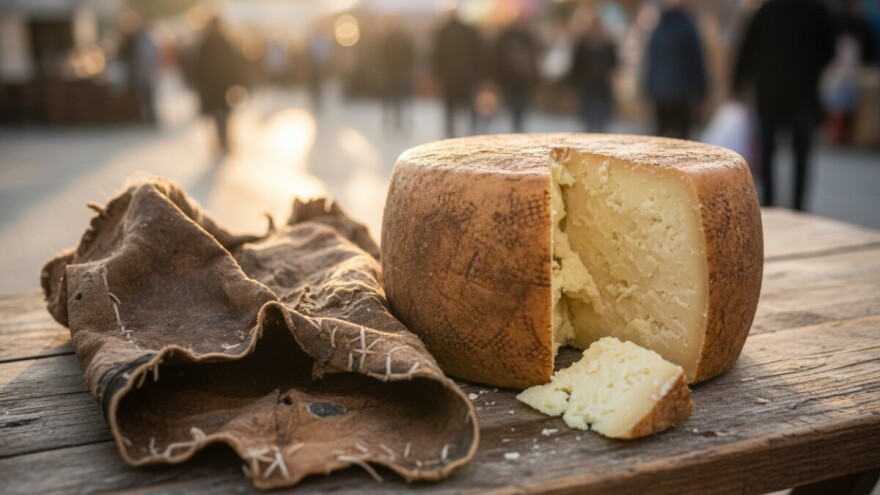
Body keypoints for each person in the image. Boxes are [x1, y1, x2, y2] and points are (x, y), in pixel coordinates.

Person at [733, 0, 835, 211]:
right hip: (803, 94)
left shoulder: (767, 10)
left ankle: (770, 202)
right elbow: (829, 50)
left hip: (770, 93)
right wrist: (812, 68)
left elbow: (747, 50)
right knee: (801, 153)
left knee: (769, 151)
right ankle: (798, 205)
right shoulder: (816, 9)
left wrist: (737, 83)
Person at [645, 1, 708, 139]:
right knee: (682, 141)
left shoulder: (657, 30)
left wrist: (649, 90)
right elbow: (696, 62)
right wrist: (701, 92)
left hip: (660, 94)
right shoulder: (688, 28)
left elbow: (651, 62)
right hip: (682, 94)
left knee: (660, 140)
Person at [433, 12, 484, 138]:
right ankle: (472, 130)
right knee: (469, 105)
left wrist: (439, 73)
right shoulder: (468, 30)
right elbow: (478, 53)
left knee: (450, 107)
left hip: (450, 76)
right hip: (466, 76)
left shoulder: (443, 31)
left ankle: (450, 132)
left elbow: (437, 55)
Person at [196, 16, 240, 154]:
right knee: (224, 114)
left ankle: (220, 140)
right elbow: (234, 63)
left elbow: (199, 65)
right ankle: (224, 140)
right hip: (223, 84)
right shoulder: (225, 40)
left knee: (216, 114)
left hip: (211, 85)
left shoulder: (205, 41)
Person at [567, 15, 618, 133]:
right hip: (587, 88)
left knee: (602, 122)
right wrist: (573, 87)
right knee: (588, 123)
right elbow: (576, 67)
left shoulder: (608, 45)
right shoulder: (582, 45)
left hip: (603, 89)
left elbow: (614, 64)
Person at [492, 15, 539, 132]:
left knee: (521, 112)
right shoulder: (506, 38)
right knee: (509, 109)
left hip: (523, 83)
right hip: (508, 81)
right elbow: (498, 59)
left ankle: (517, 131)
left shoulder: (529, 38)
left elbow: (534, 61)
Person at [380, 18, 415, 130]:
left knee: (392, 95)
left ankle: (390, 118)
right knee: (400, 95)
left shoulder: (387, 39)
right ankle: (398, 118)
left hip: (392, 71)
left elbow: (382, 55)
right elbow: (411, 54)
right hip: (400, 71)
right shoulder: (403, 39)